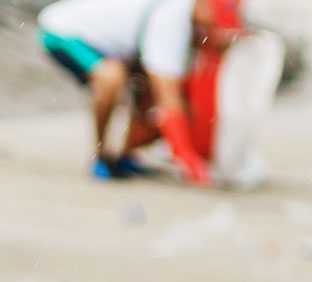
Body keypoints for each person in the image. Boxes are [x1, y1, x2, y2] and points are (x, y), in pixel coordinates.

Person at [37, 0, 244, 184]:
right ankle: (100, 157)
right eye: (215, 24)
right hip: (61, 30)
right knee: (111, 76)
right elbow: (168, 97)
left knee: (149, 90)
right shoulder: (172, 17)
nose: (215, 31)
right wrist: (188, 159)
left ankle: (123, 156)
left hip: (121, 47)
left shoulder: (192, 18)